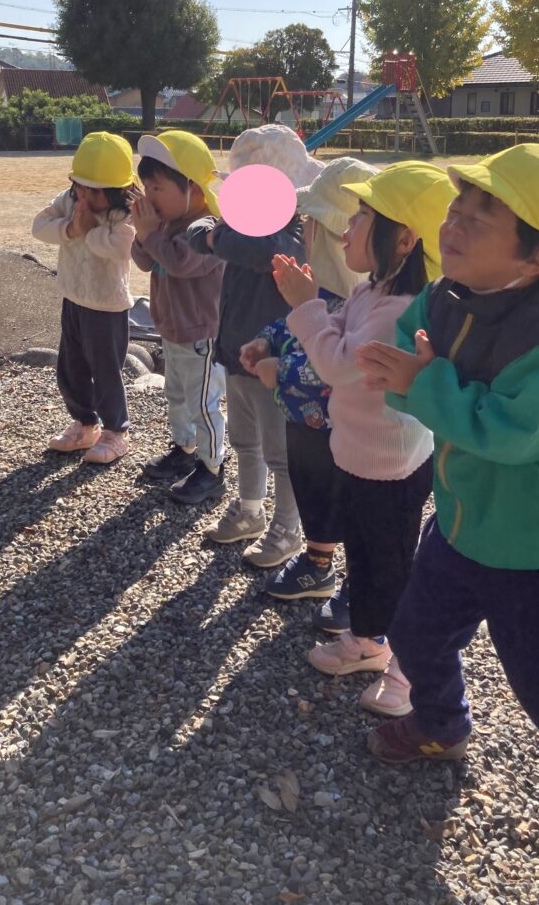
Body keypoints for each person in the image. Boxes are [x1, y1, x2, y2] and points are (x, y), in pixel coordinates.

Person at [357, 144, 539, 878]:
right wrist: (405, 373)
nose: (455, 223)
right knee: (416, 635)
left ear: (537, 255)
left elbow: (506, 434)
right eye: (459, 205)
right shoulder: (445, 295)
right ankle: (441, 724)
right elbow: (402, 348)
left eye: (483, 216)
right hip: (462, 524)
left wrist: (424, 383)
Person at [275, 161, 454, 717]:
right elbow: (338, 336)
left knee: (392, 566)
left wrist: (305, 305)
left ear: (404, 239)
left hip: (390, 467)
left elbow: (336, 363)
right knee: (368, 558)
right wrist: (316, 315)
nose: (348, 229)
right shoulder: (371, 291)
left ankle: (404, 670)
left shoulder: (397, 310)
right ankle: (368, 639)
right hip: (361, 456)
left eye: (361, 217)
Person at [238, 157, 375, 630]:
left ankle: (359, 587)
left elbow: (336, 363)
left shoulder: (361, 301)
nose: (303, 234)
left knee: (351, 505)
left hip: (346, 431)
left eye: (308, 224)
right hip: (305, 424)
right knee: (314, 493)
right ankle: (317, 563)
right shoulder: (322, 290)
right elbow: (293, 325)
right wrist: (266, 341)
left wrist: (281, 371)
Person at [187, 125, 321, 568]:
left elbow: (263, 252)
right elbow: (200, 231)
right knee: (245, 440)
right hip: (236, 353)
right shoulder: (240, 229)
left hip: (273, 360)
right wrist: (214, 233)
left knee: (280, 451)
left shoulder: (291, 233)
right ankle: (249, 510)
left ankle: (288, 527)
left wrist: (215, 236)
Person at [130, 130, 226, 504]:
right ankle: (185, 448)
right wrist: (144, 234)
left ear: (194, 189)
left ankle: (212, 468)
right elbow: (144, 261)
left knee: (203, 402)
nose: (150, 196)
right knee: (177, 395)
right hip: (172, 329)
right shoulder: (167, 221)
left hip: (202, 334)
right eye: (146, 188)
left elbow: (181, 263)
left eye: (158, 188)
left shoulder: (209, 229)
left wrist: (151, 235)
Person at [31, 131, 136, 465]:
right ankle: (85, 423)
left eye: (96, 191)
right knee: (70, 368)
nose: (87, 196)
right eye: (81, 187)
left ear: (119, 190)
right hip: (73, 298)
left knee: (106, 372)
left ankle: (116, 431)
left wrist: (89, 230)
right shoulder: (69, 201)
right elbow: (39, 226)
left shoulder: (125, 215)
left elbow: (121, 248)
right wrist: (71, 229)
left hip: (107, 306)